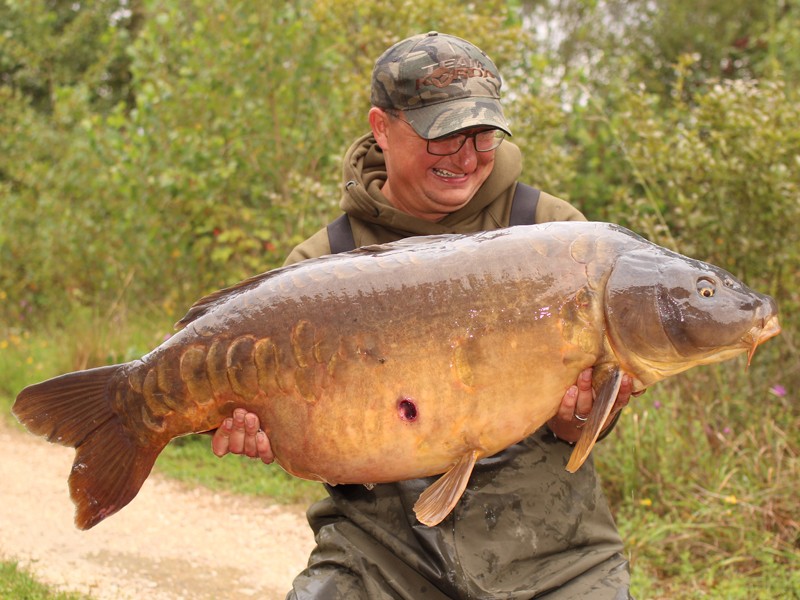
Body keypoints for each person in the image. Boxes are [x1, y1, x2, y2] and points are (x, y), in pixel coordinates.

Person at [212, 32, 634, 599]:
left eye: (481, 134)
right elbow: (325, 455)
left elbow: (582, 426)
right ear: (382, 128)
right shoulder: (322, 266)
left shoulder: (554, 235)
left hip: (554, 551)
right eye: (442, 135)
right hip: (380, 551)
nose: (465, 157)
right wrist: (268, 429)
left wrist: (582, 414)